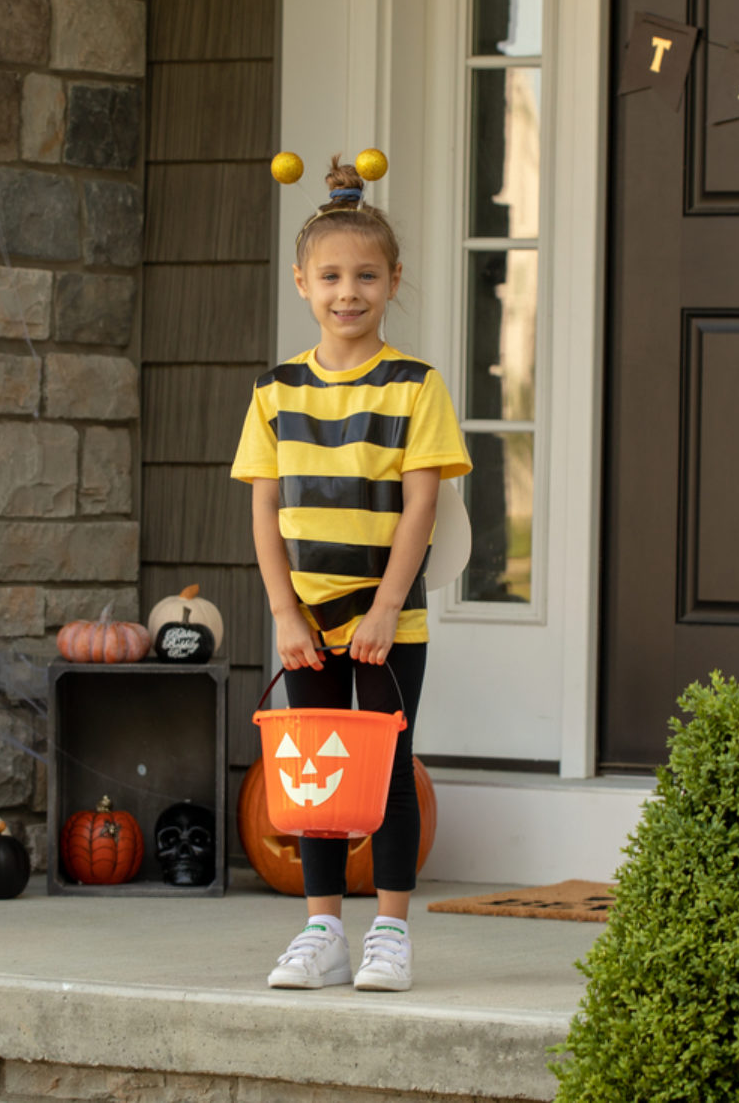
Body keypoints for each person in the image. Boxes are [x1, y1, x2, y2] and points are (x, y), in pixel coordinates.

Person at [231, 154, 471, 992]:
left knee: (390, 773)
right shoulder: (275, 391)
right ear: (302, 281)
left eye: (366, 275)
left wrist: (385, 609)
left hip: (385, 624)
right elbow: (266, 513)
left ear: (393, 280)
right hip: (308, 622)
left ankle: (391, 934)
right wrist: (285, 616)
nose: (348, 292)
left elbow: (421, 510)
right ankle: (324, 930)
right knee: (318, 774)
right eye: (331, 275)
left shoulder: (416, 388)